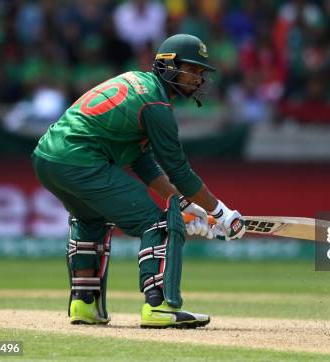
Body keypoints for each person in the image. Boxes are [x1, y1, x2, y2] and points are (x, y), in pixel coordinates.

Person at [31, 34, 246, 329]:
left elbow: (141, 161)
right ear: (168, 66)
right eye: (192, 70)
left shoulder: (136, 82)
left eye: (201, 73)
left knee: (91, 218)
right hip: (80, 158)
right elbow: (179, 170)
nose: (198, 79)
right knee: (157, 223)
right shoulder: (156, 104)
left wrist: (183, 204)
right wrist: (220, 212)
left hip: (47, 157)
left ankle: (84, 304)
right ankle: (159, 306)